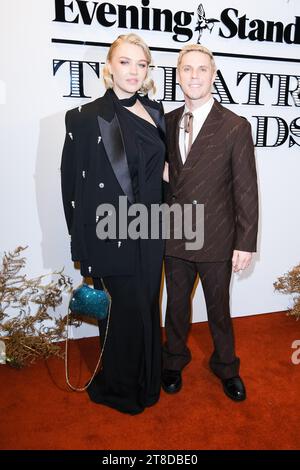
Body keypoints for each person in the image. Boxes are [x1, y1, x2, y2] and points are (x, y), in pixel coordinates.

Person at [60, 34, 166, 414]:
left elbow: (161, 172)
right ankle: (122, 387)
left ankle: (147, 379)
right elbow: (70, 184)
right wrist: (82, 247)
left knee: (145, 306)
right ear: (109, 67)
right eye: (125, 62)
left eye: (141, 64)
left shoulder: (155, 112)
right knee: (121, 311)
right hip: (111, 230)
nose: (134, 71)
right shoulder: (86, 118)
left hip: (151, 227)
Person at [162, 44, 258, 401]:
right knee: (175, 305)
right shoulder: (168, 121)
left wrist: (245, 242)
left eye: (202, 69)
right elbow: (167, 174)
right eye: (187, 69)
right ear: (178, 75)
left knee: (219, 309)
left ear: (213, 75)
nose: (194, 76)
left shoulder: (234, 126)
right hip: (174, 232)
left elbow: (246, 187)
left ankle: (226, 366)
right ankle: (173, 359)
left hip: (217, 235)